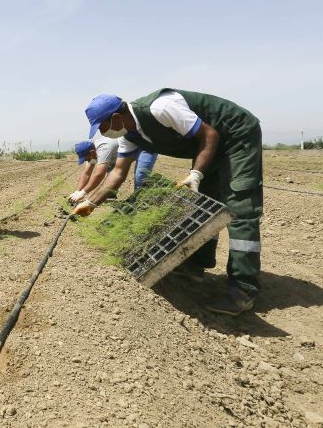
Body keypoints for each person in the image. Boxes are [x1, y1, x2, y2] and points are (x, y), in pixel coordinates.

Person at [72, 89, 262, 316]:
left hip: (235, 135)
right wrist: (91, 203)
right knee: (206, 200)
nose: (104, 133)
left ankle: (243, 290)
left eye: (102, 128)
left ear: (116, 118)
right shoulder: (129, 135)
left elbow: (209, 135)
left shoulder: (160, 108)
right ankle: (196, 264)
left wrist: (196, 173)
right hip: (210, 143)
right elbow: (117, 174)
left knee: (239, 203)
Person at [69, 136, 158, 205]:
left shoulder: (103, 148)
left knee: (141, 175)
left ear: (92, 152)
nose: (86, 161)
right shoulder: (91, 151)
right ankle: (111, 194)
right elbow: (86, 173)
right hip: (124, 153)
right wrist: (78, 191)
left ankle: (142, 201)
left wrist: (83, 193)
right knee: (111, 172)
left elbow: (99, 174)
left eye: (86, 158)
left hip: (144, 146)